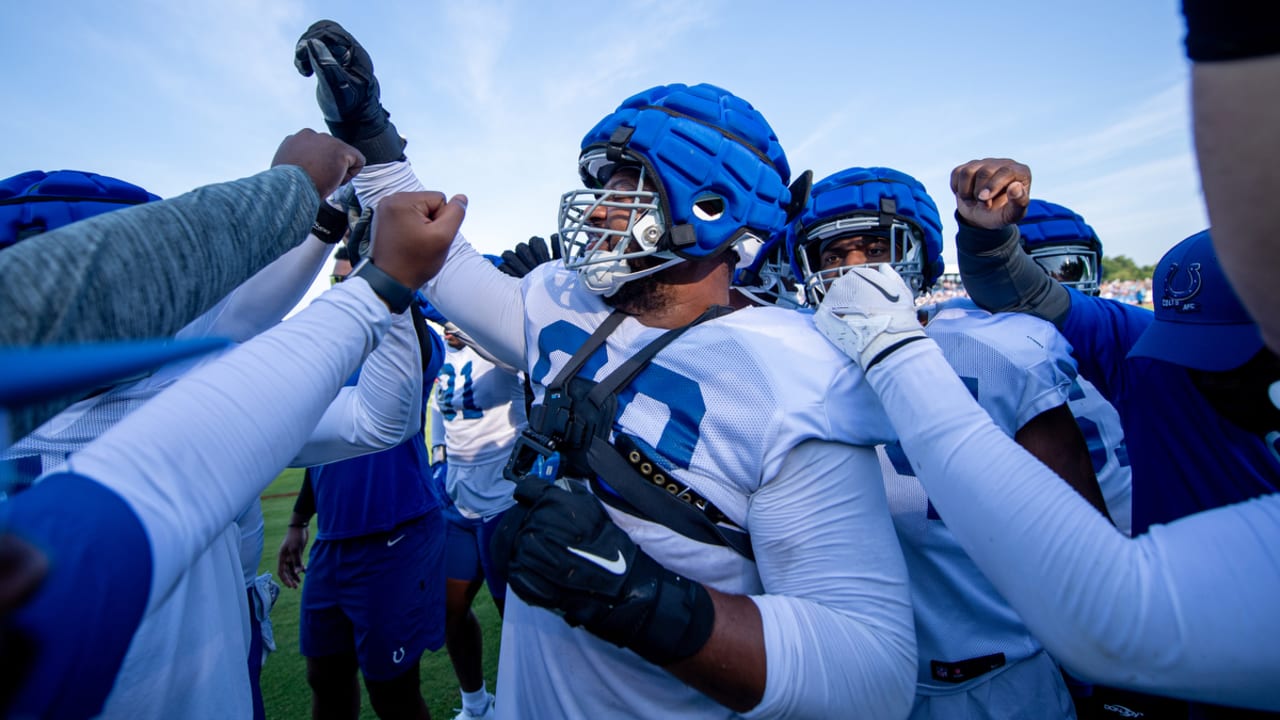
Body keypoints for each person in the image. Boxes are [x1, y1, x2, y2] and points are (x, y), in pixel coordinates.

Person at [299, 22, 918, 718]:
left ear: (708, 205)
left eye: (626, 189)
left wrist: (638, 596)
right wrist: (366, 128)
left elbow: (873, 671)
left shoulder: (797, 374)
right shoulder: (561, 294)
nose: (596, 207)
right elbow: (450, 267)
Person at [1, 152, 466, 720]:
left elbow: (243, 328)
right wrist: (379, 281)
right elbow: (199, 407)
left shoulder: (147, 388)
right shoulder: (153, 430)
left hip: (384, 535)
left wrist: (326, 226)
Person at [812, 260, 1280, 713]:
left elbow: (1111, 613)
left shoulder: (1005, 348)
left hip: (1031, 661)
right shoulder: (1129, 348)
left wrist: (894, 349)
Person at [790, 166, 1102, 719]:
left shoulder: (1001, 353)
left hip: (1000, 679)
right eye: (835, 253)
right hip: (849, 687)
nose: (855, 268)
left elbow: (1083, 547)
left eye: (876, 246)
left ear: (922, 256)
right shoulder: (788, 361)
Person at [952, 159, 1279, 541]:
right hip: (1170, 591)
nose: (1192, 360)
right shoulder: (1147, 347)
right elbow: (1021, 291)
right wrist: (984, 233)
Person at [0, 130, 362, 440]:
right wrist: (292, 185)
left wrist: (324, 212)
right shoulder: (189, 395)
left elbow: (244, 312)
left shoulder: (181, 370)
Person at [277, 248, 447, 720]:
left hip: (396, 533)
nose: (346, 291)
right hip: (333, 540)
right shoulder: (325, 357)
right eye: (338, 282)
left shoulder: (414, 342)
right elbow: (322, 450)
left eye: (359, 279)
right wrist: (297, 520)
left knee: (392, 690)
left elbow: (409, 329)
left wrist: (395, 266)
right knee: (324, 678)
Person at [1016, 200, 1133, 534]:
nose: (1062, 284)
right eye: (1046, 270)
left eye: (1072, 268)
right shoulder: (1126, 341)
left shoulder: (1119, 337)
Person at [433, 319, 526, 720]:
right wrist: (438, 455)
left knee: (518, 620)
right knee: (448, 608)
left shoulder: (500, 345)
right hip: (459, 498)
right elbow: (442, 408)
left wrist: (459, 315)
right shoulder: (442, 353)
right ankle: (476, 705)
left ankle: (526, 705)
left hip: (505, 498)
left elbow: (509, 351)